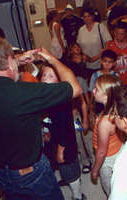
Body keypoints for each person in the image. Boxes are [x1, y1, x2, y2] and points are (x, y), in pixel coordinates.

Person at [0, 38, 82, 199]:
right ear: (9, 62)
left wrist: (15, 60)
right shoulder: (25, 92)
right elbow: (75, 88)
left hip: (1, 172)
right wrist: (51, 58)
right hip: (31, 174)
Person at [39, 65, 87, 200]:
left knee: (69, 168)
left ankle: (77, 195)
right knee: (65, 168)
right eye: (44, 75)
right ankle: (70, 180)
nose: (46, 78)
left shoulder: (60, 102)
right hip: (56, 140)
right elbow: (51, 122)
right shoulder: (47, 97)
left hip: (65, 144)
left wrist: (60, 150)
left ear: (59, 81)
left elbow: (64, 129)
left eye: (51, 76)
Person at [91, 75, 123, 197]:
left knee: (111, 189)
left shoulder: (105, 122)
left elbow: (101, 152)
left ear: (107, 96)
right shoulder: (117, 109)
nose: (93, 91)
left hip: (108, 159)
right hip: (118, 148)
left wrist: (95, 170)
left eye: (97, 89)